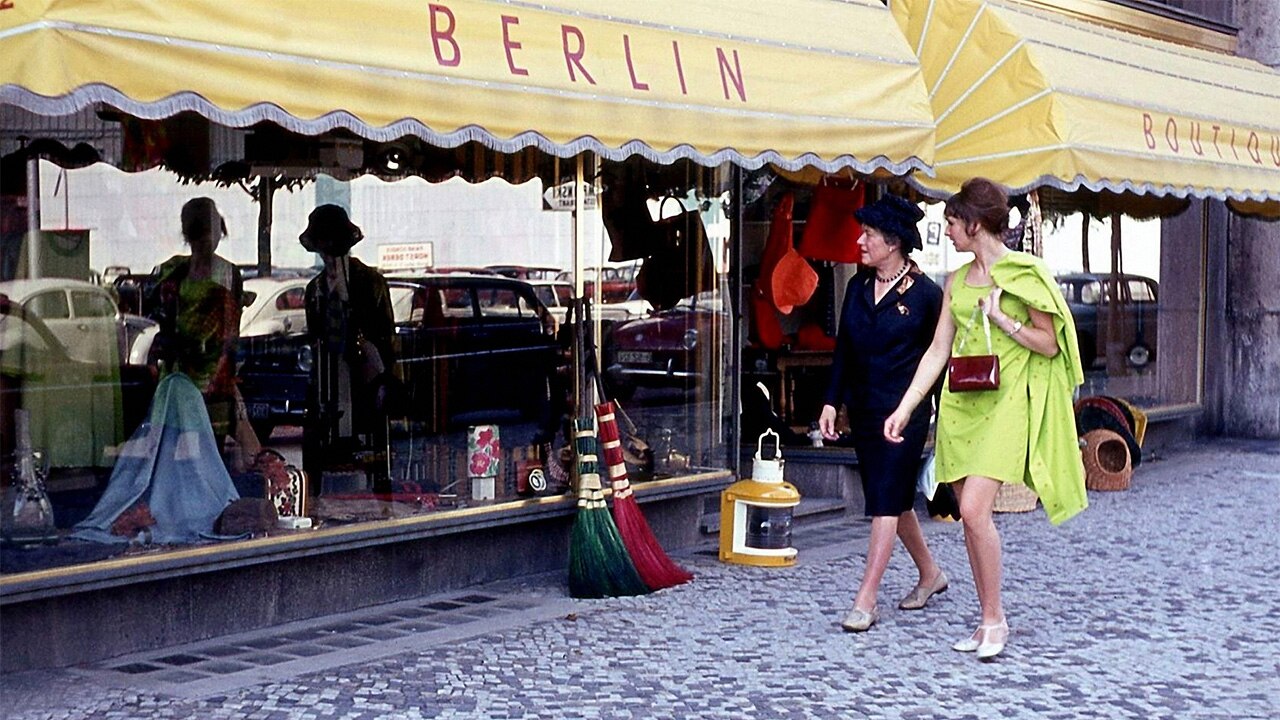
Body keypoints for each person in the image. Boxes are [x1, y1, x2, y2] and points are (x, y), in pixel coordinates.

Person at [883, 177, 1087, 659]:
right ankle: (985, 618)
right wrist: (906, 407)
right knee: (967, 518)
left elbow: (1051, 343)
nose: (948, 231)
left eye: (952, 222)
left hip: (1006, 404)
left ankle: (996, 620)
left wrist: (1003, 321)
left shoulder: (1025, 274)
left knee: (975, 510)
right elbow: (937, 352)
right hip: (960, 405)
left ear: (974, 224)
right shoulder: (956, 280)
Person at [816, 194, 948, 633]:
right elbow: (844, 353)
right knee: (888, 497)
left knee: (884, 502)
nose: (860, 241)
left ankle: (866, 598)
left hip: (906, 414)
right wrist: (831, 402)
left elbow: (940, 357)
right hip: (866, 411)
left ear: (892, 242)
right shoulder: (857, 287)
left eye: (868, 234)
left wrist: (939, 415)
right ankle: (931, 574)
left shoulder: (927, 295)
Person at [299, 204, 397, 490]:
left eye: (332, 249)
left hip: (363, 383)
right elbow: (315, 338)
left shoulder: (370, 282)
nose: (328, 257)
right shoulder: (315, 289)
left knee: (373, 456)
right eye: (323, 250)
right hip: (326, 387)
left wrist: (385, 383)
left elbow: (385, 335)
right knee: (318, 456)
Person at [149, 197, 243, 440]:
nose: (207, 242)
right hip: (179, 373)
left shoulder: (228, 273)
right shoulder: (173, 273)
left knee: (210, 444)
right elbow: (162, 320)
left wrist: (223, 373)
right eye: (200, 236)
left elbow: (232, 333)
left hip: (214, 374)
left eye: (212, 234)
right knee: (175, 443)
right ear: (190, 236)